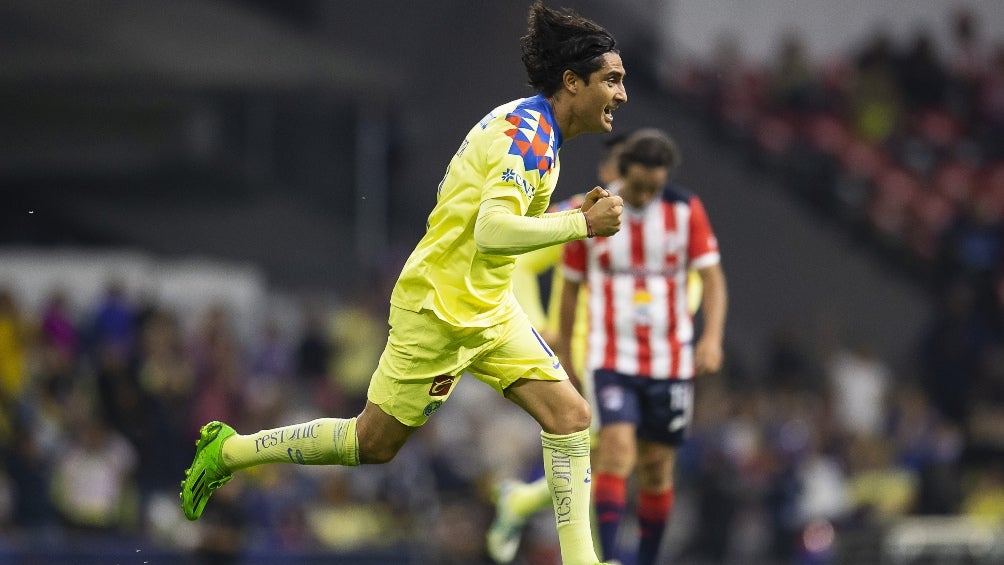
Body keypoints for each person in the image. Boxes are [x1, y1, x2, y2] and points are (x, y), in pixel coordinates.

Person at [180, 3, 627, 565]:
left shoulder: (538, 131)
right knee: (373, 443)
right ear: (572, 81)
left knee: (571, 417)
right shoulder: (529, 136)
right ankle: (231, 450)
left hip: (488, 307)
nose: (622, 94)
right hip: (439, 310)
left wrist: (569, 221)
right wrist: (580, 225)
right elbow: (490, 231)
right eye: (612, 80)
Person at [486, 132, 706, 564]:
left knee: (605, 456)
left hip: (641, 353)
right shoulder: (578, 214)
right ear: (608, 171)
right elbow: (519, 261)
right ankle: (594, 555)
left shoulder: (665, 219)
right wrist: (538, 324)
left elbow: (693, 276)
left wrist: (674, 314)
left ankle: (524, 505)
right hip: (589, 354)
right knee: (605, 452)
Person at [559, 129, 727, 565]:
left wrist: (710, 338)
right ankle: (607, 558)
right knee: (616, 447)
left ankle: (648, 559)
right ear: (622, 170)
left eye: (657, 184)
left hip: (670, 360)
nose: (649, 193)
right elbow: (570, 287)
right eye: (640, 185)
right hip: (610, 355)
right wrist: (561, 348)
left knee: (657, 466)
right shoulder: (593, 210)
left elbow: (712, 277)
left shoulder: (685, 209)